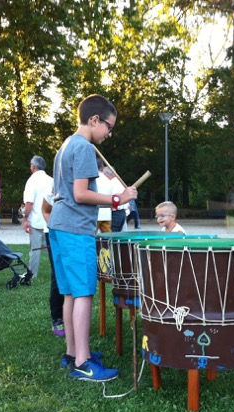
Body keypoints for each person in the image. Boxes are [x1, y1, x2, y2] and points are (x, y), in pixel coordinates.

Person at [48, 94, 137, 382]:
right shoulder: (84, 148)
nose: (109, 134)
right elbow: (80, 194)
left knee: (71, 293)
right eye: (108, 127)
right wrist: (117, 198)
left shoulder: (66, 145)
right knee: (84, 293)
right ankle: (84, 363)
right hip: (75, 228)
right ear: (94, 120)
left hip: (59, 227)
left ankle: (73, 354)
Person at [21, 155, 54, 279]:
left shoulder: (32, 181)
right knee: (51, 248)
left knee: (35, 249)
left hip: (36, 220)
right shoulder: (51, 180)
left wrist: (25, 218)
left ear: (33, 166)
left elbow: (29, 203)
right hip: (50, 219)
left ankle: (32, 274)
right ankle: (59, 270)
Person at [42, 190, 65, 337]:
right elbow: (45, 208)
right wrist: (54, 226)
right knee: (58, 275)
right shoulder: (57, 184)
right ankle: (57, 319)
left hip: (76, 235)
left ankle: (72, 319)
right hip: (56, 234)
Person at [104, 167, 128, 232]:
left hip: (115, 212)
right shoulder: (119, 182)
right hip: (122, 212)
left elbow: (111, 199)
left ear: (107, 174)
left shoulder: (111, 184)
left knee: (113, 235)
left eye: (104, 174)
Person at [95, 158, 113, 233]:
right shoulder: (108, 180)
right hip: (106, 213)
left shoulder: (92, 179)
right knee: (107, 237)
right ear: (102, 168)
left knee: (92, 236)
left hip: (94, 213)